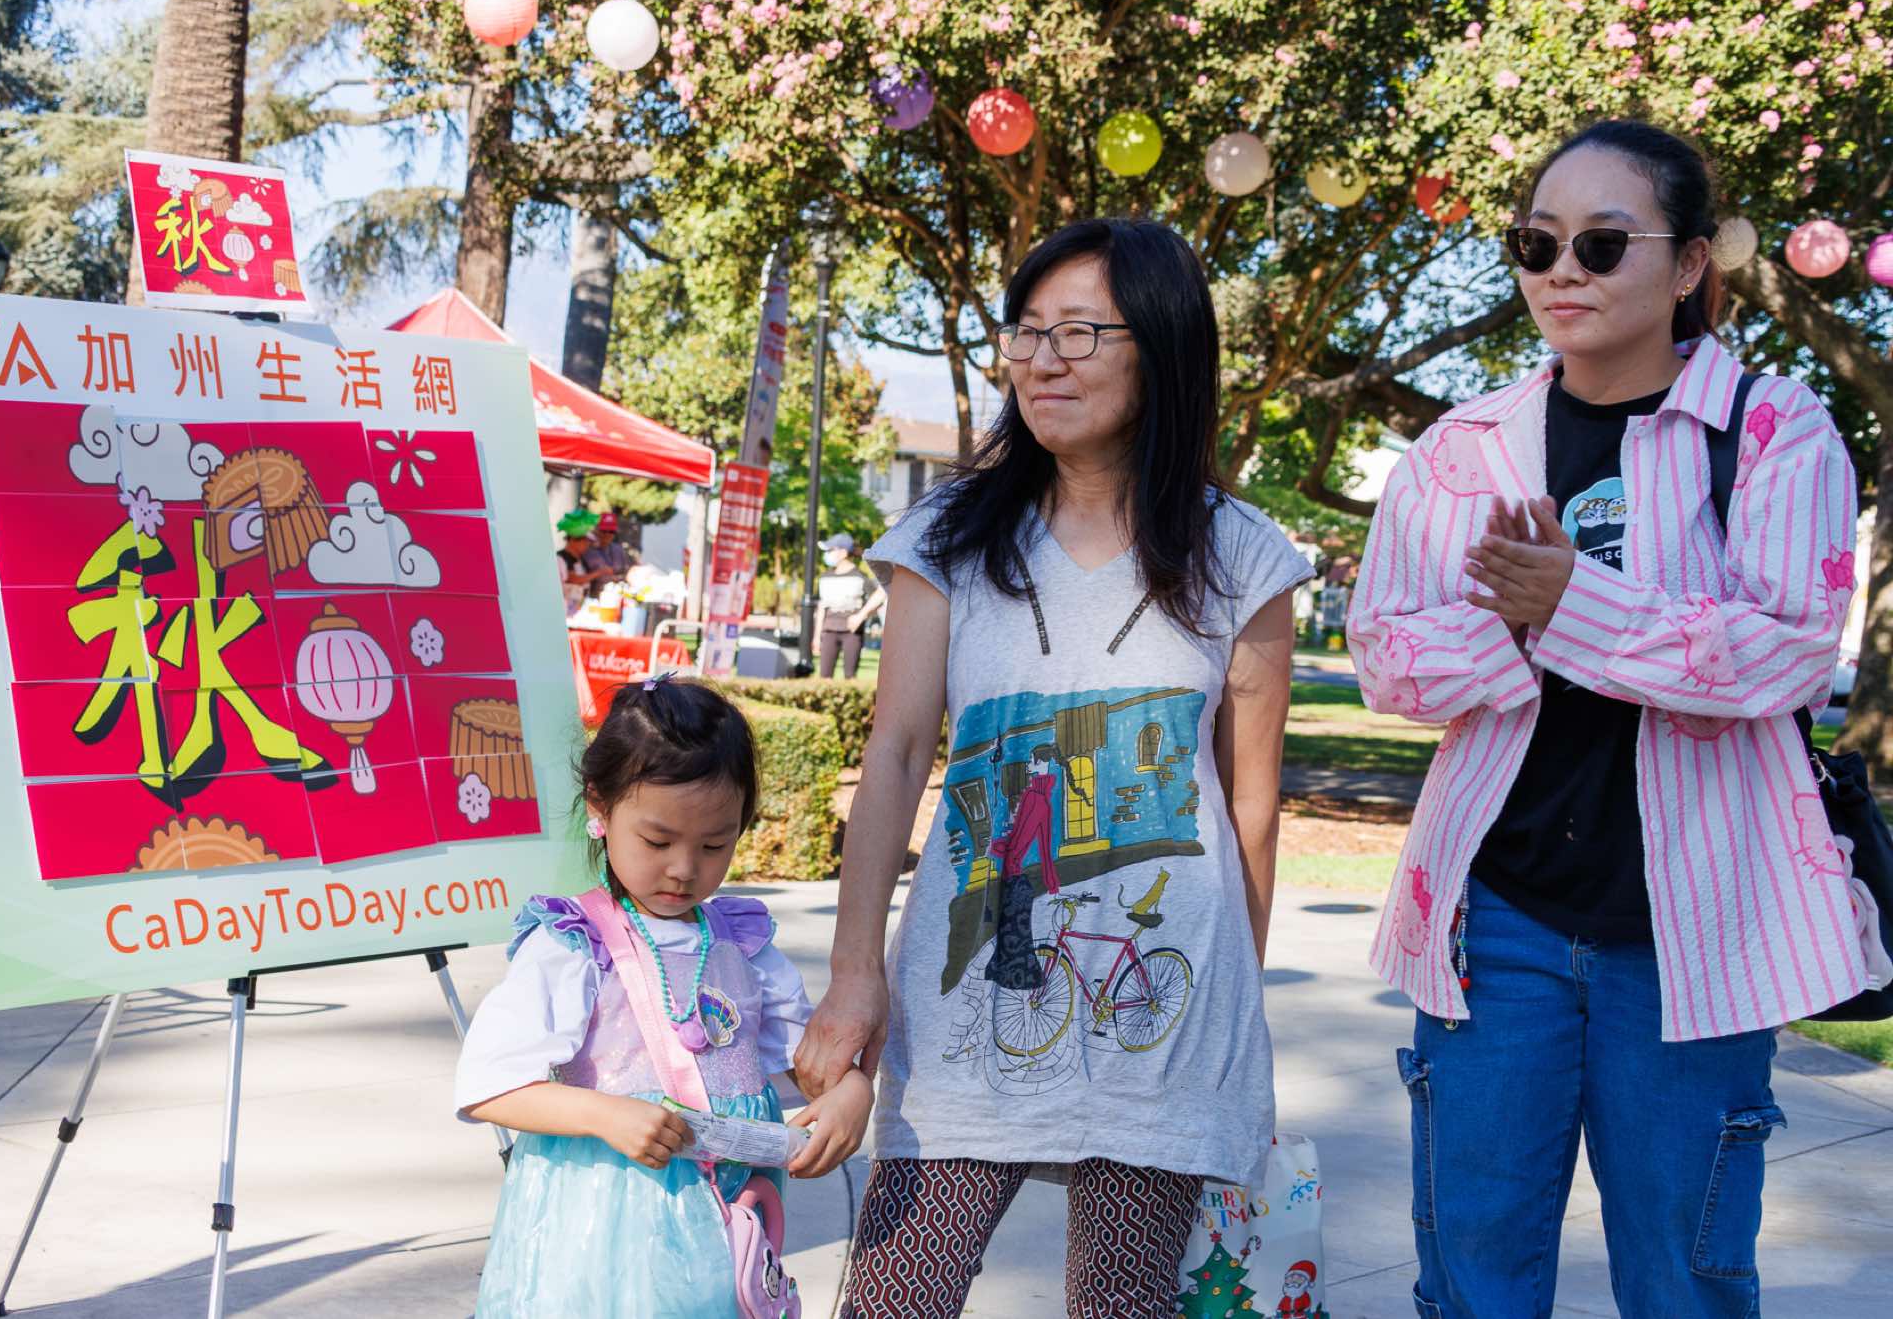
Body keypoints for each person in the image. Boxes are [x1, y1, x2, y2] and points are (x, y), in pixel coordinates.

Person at [1348, 119, 1871, 1317]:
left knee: (1685, 1281)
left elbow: (1786, 651)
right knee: (1472, 1277)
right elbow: (1385, 659)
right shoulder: (1460, 450)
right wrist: (1523, 627)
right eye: (1535, 244)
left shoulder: (1773, 428)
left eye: (1598, 243)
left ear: (1686, 263)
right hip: (1493, 923)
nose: (1560, 271)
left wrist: (1566, 603)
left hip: (1699, 934)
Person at [794, 217, 1313, 1319]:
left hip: (1164, 1030)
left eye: (1079, 332)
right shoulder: (945, 537)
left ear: (1161, 348)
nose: (1041, 360)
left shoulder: (1242, 554)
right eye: (1026, 332)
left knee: (1120, 1305)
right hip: (959, 1016)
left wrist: (1233, 1019)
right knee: (893, 1300)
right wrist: (854, 974)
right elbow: (894, 755)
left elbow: (1251, 808)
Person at [456, 676, 874, 1316]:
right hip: (602, 1242)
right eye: (658, 841)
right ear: (600, 807)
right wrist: (604, 1114)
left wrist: (851, 1092)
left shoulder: (743, 946)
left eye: (714, 845)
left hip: (723, 1237)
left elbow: (811, 1063)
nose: (684, 867)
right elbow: (489, 1084)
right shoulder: (574, 945)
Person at [812, 532, 886, 678]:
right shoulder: (825, 577)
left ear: (843, 552)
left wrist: (861, 616)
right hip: (828, 632)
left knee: (849, 677)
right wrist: (816, 636)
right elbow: (821, 607)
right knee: (824, 677)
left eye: (831, 550)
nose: (827, 554)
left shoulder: (860, 577)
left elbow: (879, 598)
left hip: (852, 633)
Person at [585, 511, 636, 579]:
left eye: (611, 531)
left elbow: (627, 572)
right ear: (597, 530)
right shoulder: (586, 550)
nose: (607, 534)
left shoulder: (618, 550)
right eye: (604, 531)